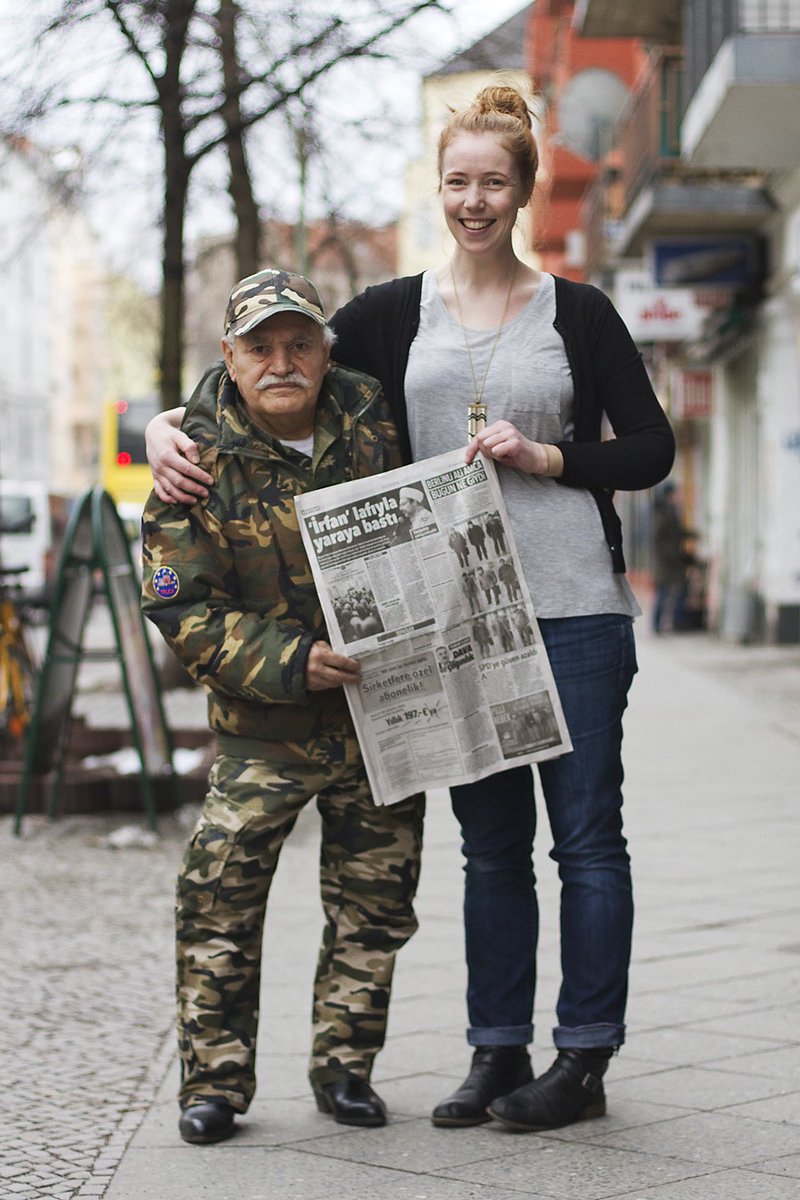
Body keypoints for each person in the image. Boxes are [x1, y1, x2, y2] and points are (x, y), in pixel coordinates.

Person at [145, 85, 675, 1134]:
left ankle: (579, 1057)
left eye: (492, 181)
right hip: (451, 625)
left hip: (569, 608)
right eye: (457, 181)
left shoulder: (578, 312)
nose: (474, 199)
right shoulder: (390, 314)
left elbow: (649, 449)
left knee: (584, 842)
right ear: (439, 190)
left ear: (521, 189)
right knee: (488, 850)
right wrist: (164, 427)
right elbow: (260, 372)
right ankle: (492, 1053)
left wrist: (549, 456)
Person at [141, 269, 424, 1146]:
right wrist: (291, 661)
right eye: (259, 346)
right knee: (219, 893)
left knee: (374, 902)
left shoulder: (376, 416)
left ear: (325, 346)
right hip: (264, 730)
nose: (281, 361)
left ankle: (345, 1070)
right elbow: (177, 603)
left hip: (382, 719)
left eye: (299, 341)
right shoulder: (193, 456)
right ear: (229, 356)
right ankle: (215, 1083)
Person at [651, 481, 693, 634]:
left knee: (679, 589)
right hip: (666, 562)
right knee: (663, 592)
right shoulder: (663, 512)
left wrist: (692, 535)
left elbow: (677, 532)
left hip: (672, 560)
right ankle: (657, 624)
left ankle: (676, 621)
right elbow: (659, 538)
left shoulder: (671, 510)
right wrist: (672, 553)